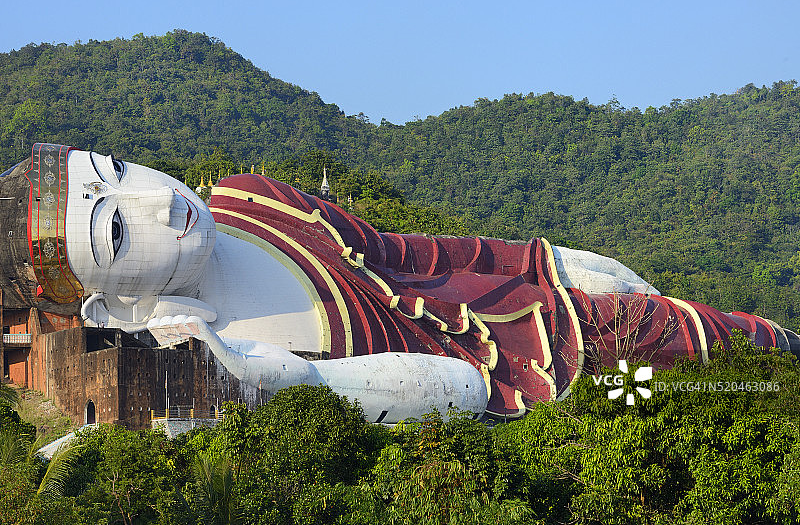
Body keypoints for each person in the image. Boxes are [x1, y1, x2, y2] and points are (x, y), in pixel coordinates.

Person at [2, 143, 797, 420]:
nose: (156, 200)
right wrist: (272, 380)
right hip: (543, 380)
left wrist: (545, 264)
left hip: (523, 296)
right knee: (719, 374)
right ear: (111, 305)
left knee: (718, 330)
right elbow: (453, 390)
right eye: (115, 230)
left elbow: (417, 253)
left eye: (116, 170)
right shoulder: (226, 356)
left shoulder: (251, 198)